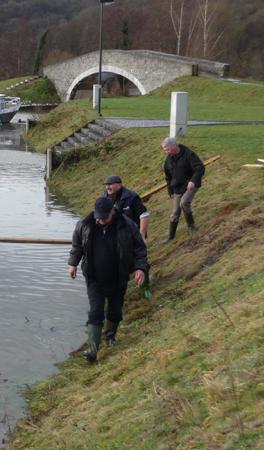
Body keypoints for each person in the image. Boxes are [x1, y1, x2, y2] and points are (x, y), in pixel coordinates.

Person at [68, 197, 148, 363]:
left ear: (113, 211)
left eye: (104, 217)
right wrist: (73, 264)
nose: (101, 220)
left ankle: (110, 337)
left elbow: (140, 248)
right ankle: (93, 349)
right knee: (95, 312)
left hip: (118, 276)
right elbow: (77, 245)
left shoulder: (127, 225)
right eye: (99, 217)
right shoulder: (85, 224)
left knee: (115, 310)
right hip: (94, 277)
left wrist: (140, 268)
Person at [161, 136, 205, 243]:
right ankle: (170, 237)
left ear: (174, 146)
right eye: (165, 150)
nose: (166, 152)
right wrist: (170, 190)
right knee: (175, 212)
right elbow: (168, 176)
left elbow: (200, 168)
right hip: (177, 187)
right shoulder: (168, 159)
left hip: (191, 185)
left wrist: (193, 180)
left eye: (167, 149)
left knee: (184, 202)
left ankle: (191, 226)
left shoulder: (189, 154)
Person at [103, 175, 149, 243]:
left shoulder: (131, 197)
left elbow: (144, 215)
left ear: (119, 185)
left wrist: (141, 235)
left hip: (133, 234)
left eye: (110, 184)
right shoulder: (105, 198)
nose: (107, 187)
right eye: (106, 185)